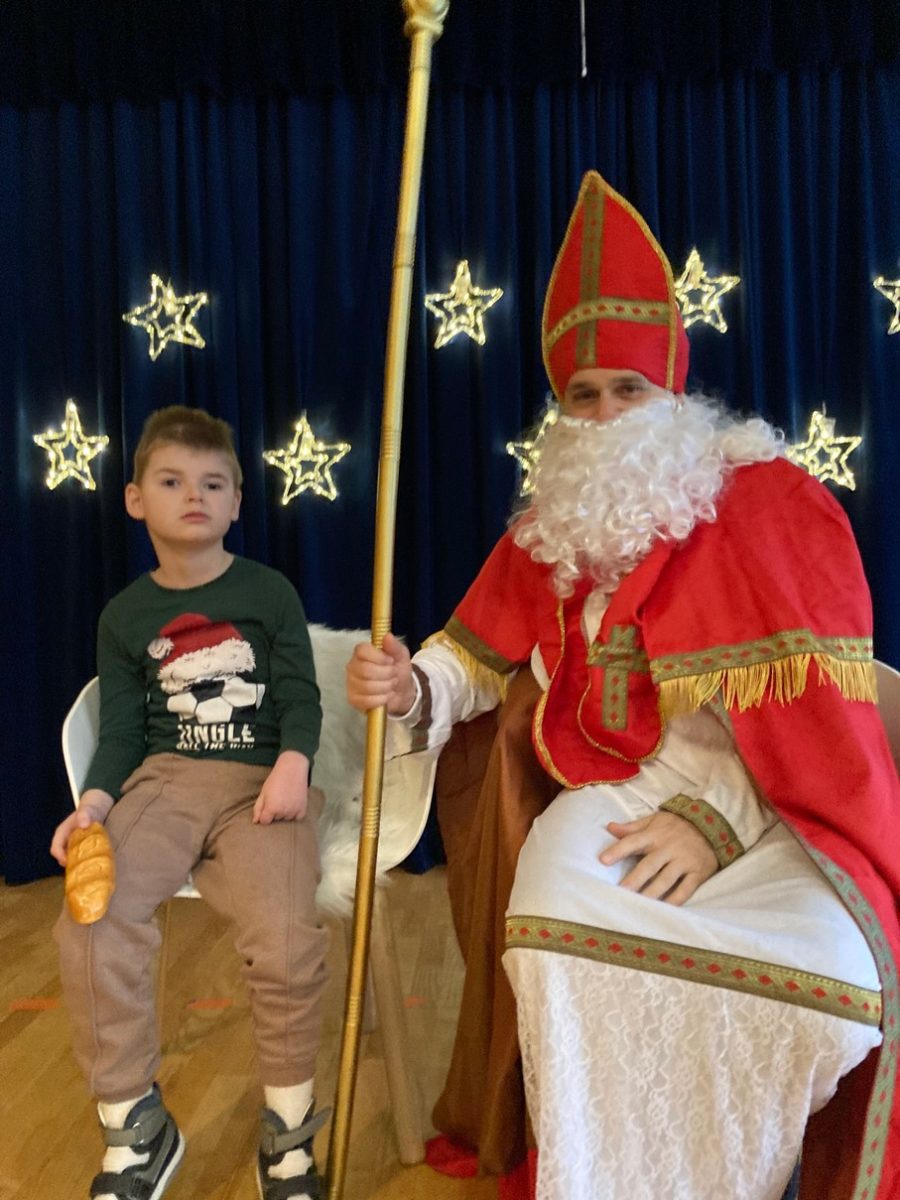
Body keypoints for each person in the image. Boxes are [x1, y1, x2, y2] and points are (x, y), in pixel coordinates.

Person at [346, 172, 900, 1200]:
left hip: (775, 816)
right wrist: (410, 684)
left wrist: (718, 825)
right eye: (582, 396)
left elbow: (815, 737)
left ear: (674, 392)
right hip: (616, 797)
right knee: (550, 939)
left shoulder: (769, 505)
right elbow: (472, 659)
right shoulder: (553, 524)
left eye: (628, 391)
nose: (605, 416)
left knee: (832, 985)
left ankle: (736, 1175)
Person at [51, 406, 328, 1200]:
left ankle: (288, 1132)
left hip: (260, 788)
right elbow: (123, 731)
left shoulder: (268, 592)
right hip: (164, 783)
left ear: (237, 501)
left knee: (285, 940)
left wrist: (294, 764)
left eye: (213, 483)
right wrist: (93, 805)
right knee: (91, 918)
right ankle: (134, 1123)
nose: (194, 497)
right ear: (137, 499)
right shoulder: (124, 615)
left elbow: (300, 696)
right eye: (172, 482)